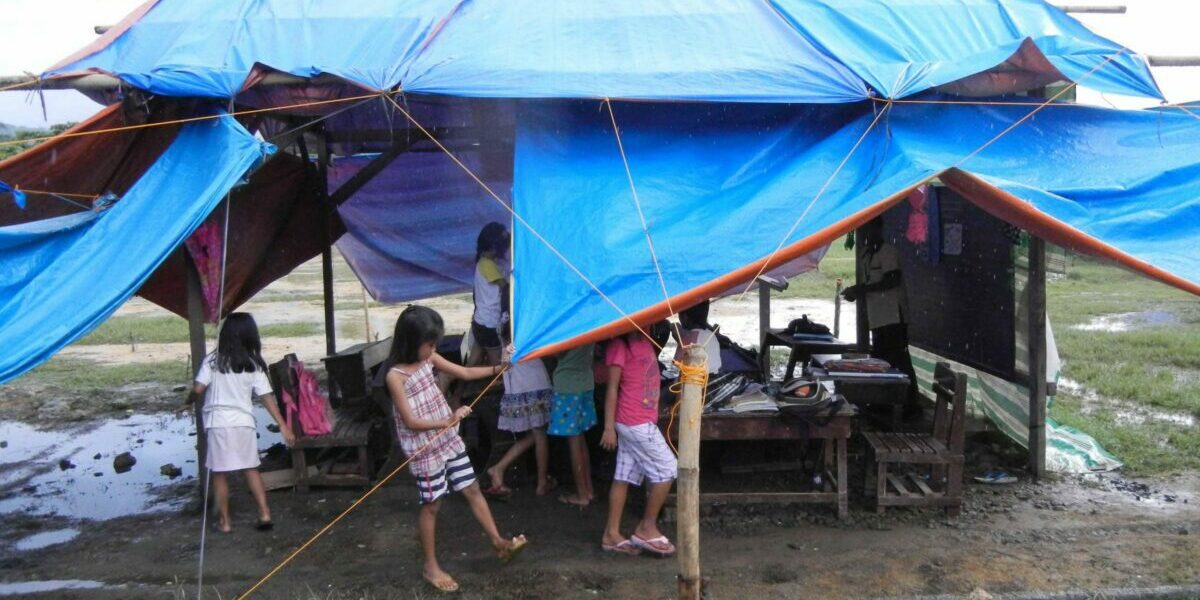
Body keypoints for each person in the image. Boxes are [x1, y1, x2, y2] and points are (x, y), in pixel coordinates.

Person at [384, 305, 527, 593]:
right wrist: (448, 420)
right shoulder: (395, 377)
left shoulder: (428, 358)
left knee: (472, 488)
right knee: (432, 505)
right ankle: (430, 567)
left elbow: (464, 371)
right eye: (429, 344)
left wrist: (500, 368)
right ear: (411, 342)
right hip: (425, 449)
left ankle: (498, 542)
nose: (434, 349)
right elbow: (411, 422)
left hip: (447, 440)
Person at [186, 312, 294, 534]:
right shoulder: (253, 364)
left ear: (226, 334)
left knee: (220, 473)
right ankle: (264, 513)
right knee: (251, 469)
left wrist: (187, 402)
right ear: (250, 335)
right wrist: (283, 425)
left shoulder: (212, 361)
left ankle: (225, 522)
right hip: (244, 423)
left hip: (218, 423)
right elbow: (266, 397)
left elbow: (198, 389)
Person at [600, 329, 677, 557]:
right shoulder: (619, 346)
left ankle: (611, 534)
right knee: (668, 468)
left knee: (623, 476)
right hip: (635, 423)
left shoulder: (645, 339)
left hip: (637, 421)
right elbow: (612, 388)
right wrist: (608, 427)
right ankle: (647, 527)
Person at [841, 218, 920, 417]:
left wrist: (861, 290)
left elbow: (892, 280)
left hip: (893, 316)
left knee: (899, 361)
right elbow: (870, 284)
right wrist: (856, 291)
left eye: (869, 230)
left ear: (878, 229)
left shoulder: (888, 252)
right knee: (881, 362)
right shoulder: (866, 255)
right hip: (878, 317)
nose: (866, 235)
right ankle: (882, 405)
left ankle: (912, 406)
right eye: (863, 231)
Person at [485, 327, 555, 497]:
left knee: (536, 434)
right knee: (540, 434)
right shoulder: (525, 329)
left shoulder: (505, 331)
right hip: (532, 384)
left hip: (519, 384)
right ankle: (541, 483)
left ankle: (498, 468)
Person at [549, 342, 598, 507]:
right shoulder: (589, 327)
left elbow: (559, 352)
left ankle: (582, 495)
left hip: (568, 385)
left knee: (574, 441)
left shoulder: (566, 329)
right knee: (580, 438)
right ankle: (588, 489)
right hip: (586, 381)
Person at [471, 222, 510, 366]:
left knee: (472, 364)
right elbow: (506, 288)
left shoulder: (482, 262)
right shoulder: (488, 264)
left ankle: (449, 378)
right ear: (494, 248)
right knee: (498, 368)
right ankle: (445, 375)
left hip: (479, 322)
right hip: (490, 325)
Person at [672, 300, 722, 374]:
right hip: (715, 375)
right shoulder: (711, 335)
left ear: (685, 317)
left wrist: (679, 340)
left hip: (698, 379)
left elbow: (677, 363)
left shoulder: (689, 338)